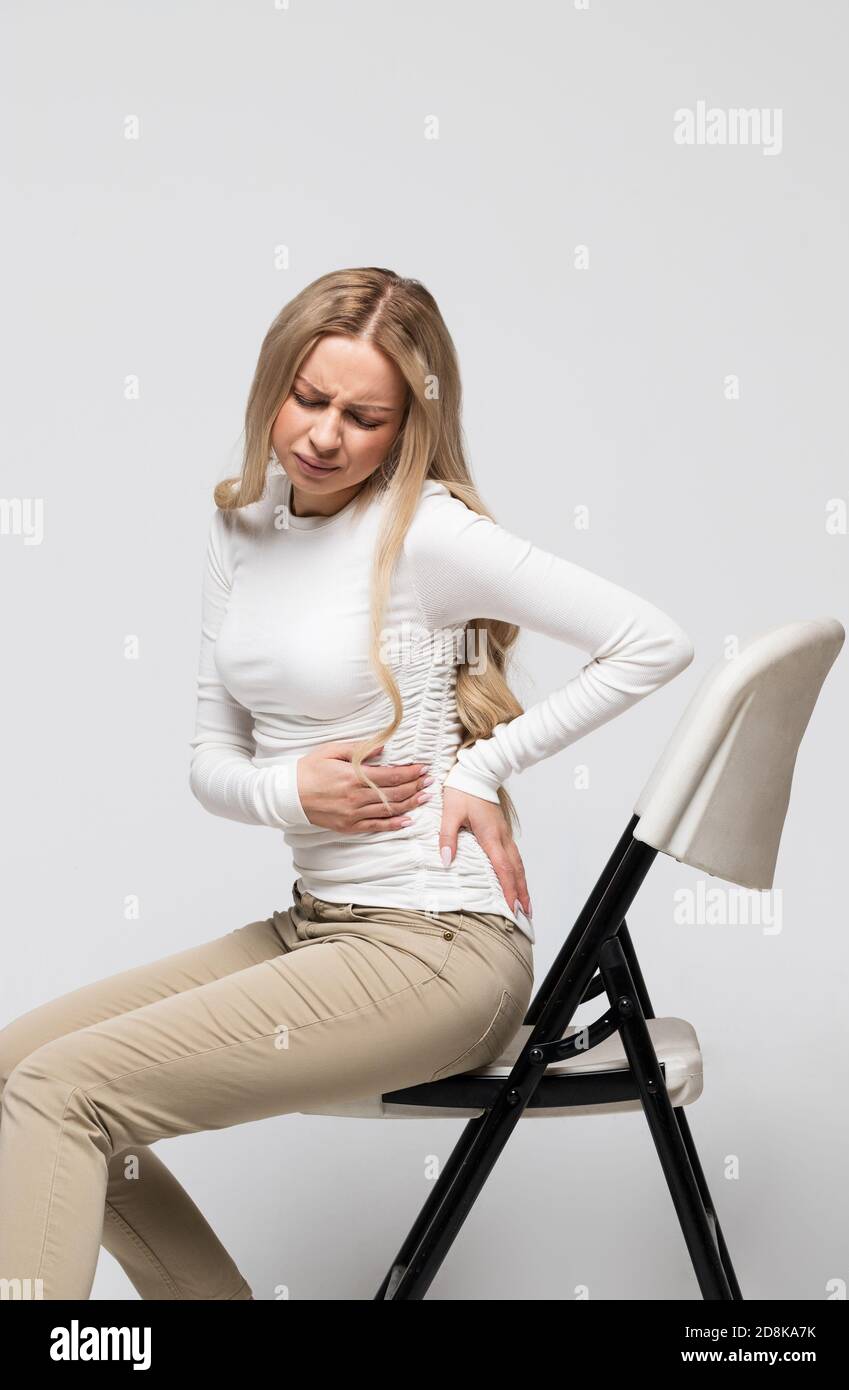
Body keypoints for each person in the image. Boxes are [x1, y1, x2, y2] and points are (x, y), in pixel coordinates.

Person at [0, 268, 694, 1300]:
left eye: (362, 416)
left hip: (437, 951)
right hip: (320, 925)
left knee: (61, 1090)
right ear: (272, 386)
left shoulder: (424, 531)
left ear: (406, 425)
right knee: (18, 1070)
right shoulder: (242, 525)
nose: (323, 435)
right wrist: (292, 793)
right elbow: (210, 762)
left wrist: (484, 764)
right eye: (307, 398)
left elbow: (652, 640)